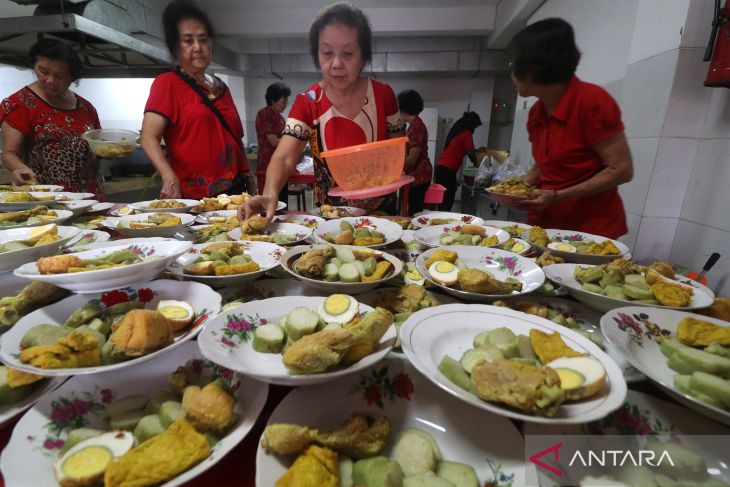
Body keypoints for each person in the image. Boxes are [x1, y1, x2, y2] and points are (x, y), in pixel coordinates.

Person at [242, 2, 404, 219]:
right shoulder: (308, 101)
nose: (336, 63)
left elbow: (396, 148)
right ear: (317, 55)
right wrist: (270, 193)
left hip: (381, 212)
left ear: (364, 55)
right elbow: (283, 157)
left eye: (347, 53)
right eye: (327, 53)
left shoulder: (383, 95)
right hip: (332, 217)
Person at [507, 18, 633, 239]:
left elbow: (621, 169)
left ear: (533, 68)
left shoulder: (592, 102)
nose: (511, 73)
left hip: (589, 230)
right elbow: (547, 162)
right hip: (546, 225)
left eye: (513, 64)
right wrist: (516, 187)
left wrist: (557, 196)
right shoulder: (537, 112)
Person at [140, 0, 252, 199]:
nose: (198, 47)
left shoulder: (221, 88)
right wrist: (168, 175)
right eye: (188, 41)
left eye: (203, 39)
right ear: (175, 47)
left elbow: (236, 138)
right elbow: (148, 137)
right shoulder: (167, 84)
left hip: (235, 192)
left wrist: (249, 174)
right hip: (195, 196)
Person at [1, 39, 104, 199]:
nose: (49, 80)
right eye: (43, 72)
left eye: (59, 76)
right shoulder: (19, 104)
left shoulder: (86, 108)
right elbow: (9, 153)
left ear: (72, 77)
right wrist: (18, 168)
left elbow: (99, 147)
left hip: (91, 199)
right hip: (49, 200)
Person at [434, 111, 482, 212]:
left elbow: (463, 148)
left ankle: (440, 220)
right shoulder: (466, 133)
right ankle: (443, 221)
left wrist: (476, 150)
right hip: (447, 170)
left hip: (441, 168)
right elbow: (470, 154)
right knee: (448, 198)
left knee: (442, 199)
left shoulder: (457, 131)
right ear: (472, 124)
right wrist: (477, 165)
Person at [398, 89, 432, 215]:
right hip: (419, 175)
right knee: (412, 209)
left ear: (403, 107)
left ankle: (416, 233)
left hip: (420, 176)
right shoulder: (413, 125)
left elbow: (412, 160)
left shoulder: (416, 127)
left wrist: (395, 161)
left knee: (414, 212)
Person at [256, 82, 291, 203]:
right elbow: (274, 142)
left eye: (287, 102)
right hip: (267, 166)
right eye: (283, 102)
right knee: (269, 202)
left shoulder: (280, 118)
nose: (285, 105)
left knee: (282, 202)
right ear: (272, 100)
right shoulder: (264, 114)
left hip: (281, 166)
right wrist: (293, 140)